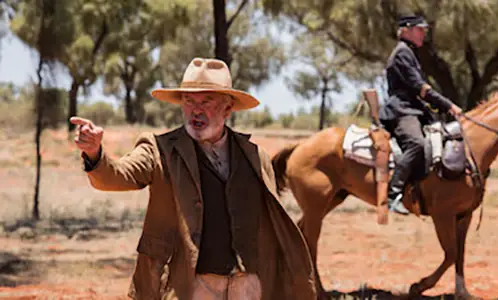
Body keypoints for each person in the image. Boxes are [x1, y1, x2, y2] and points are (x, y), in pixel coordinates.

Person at [70, 57, 317, 300]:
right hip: (191, 284)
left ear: (227, 108)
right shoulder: (160, 149)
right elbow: (119, 175)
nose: (195, 110)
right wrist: (95, 153)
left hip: (247, 285)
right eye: (189, 101)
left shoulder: (255, 155)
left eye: (206, 101)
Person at [379, 15, 463, 214]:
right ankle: (393, 193)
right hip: (402, 110)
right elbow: (420, 87)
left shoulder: (410, 52)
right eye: (420, 29)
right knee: (416, 144)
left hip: (413, 108)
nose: (424, 33)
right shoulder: (402, 53)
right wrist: (448, 105)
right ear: (406, 30)